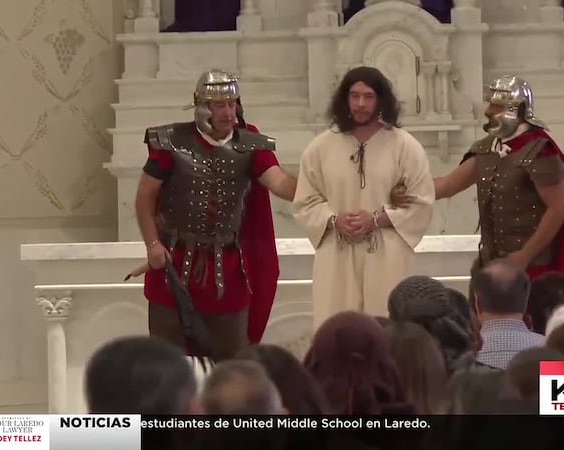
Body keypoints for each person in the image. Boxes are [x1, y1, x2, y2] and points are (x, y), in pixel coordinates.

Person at [132, 69, 297, 362]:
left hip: (227, 273)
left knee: (233, 364)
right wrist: (153, 245)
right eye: (219, 105)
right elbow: (145, 196)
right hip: (174, 267)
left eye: (232, 104)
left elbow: (279, 182)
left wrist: (319, 183)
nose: (228, 112)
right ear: (201, 107)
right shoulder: (171, 141)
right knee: (166, 365)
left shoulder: (250, 143)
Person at [292, 66, 435, 328]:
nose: (360, 104)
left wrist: (377, 219)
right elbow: (305, 200)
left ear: (380, 100)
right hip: (337, 255)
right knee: (337, 328)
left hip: (386, 256)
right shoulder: (321, 147)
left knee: (385, 328)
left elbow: (421, 201)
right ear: (345, 99)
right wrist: (334, 220)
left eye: (368, 96)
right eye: (354, 96)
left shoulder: (404, 146)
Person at [392, 75, 564, 280]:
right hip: (491, 263)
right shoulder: (487, 148)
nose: (488, 111)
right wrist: (409, 192)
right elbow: (448, 185)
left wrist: (525, 255)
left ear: (518, 110)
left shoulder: (540, 151)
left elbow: (558, 210)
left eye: (497, 106)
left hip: (533, 269)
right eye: (490, 105)